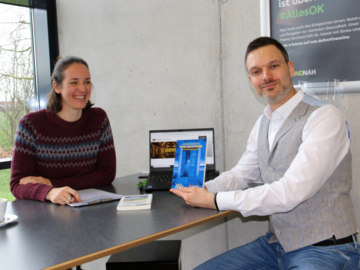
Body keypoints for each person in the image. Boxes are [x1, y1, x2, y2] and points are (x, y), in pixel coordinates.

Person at [171, 37, 359, 269]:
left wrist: (215, 200)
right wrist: (204, 189)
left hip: (326, 249)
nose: (266, 76)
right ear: (251, 80)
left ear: (290, 68)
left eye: (273, 66)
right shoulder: (263, 123)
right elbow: (241, 175)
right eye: (257, 71)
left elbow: (290, 192)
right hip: (275, 246)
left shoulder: (325, 116)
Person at [10, 56, 116, 205]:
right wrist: (49, 192)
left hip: (87, 208)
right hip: (42, 215)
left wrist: (51, 182)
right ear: (57, 86)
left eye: (87, 81)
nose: (83, 89)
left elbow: (107, 173)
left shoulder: (99, 119)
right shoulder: (30, 125)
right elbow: (16, 185)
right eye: (74, 82)